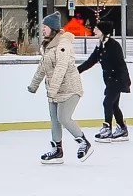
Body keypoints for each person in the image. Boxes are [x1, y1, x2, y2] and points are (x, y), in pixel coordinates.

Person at [27, 10, 91, 163]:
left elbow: (61, 68)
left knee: (63, 117)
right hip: (54, 90)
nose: (43, 29)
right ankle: (57, 150)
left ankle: (84, 143)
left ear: (53, 28)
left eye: (45, 26)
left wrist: (52, 90)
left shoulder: (63, 45)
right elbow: (42, 67)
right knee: (55, 120)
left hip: (70, 88)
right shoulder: (47, 46)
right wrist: (33, 85)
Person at [78, 22, 133, 140]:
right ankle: (122, 129)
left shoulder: (113, 45)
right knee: (113, 105)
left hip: (117, 80)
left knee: (107, 103)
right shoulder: (101, 46)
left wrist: (122, 82)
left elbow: (121, 65)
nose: (94, 30)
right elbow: (91, 61)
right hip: (110, 81)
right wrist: (76, 71)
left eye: (97, 29)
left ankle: (107, 129)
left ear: (103, 31)